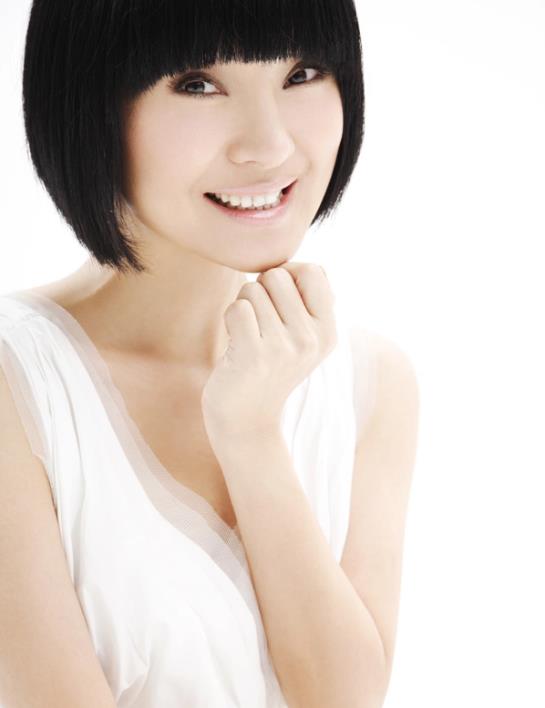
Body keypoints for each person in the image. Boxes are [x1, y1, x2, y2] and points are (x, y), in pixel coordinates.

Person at [0, 1, 419, 707]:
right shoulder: (19, 383)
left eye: (302, 74)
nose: (269, 145)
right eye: (197, 83)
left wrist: (250, 435)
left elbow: (342, 698)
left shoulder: (370, 381)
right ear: (88, 101)